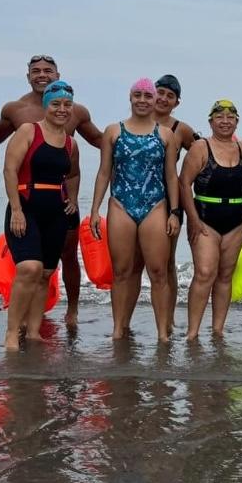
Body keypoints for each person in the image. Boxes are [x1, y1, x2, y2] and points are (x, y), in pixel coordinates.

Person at [0, 54, 102, 328]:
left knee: (66, 258)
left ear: (57, 75)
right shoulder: (15, 111)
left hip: (60, 201)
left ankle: (72, 310)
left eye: (47, 70)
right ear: (28, 76)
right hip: (28, 200)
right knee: (29, 264)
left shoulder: (76, 112)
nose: (42, 75)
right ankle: (23, 321)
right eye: (36, 71)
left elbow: (99, 141)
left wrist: (133, 144)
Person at [89, 79, 181, 341]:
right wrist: (95, 210)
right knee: (122, 271)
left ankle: (162, 333)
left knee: (158, 271)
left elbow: (171, 176)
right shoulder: (113, 131)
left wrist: (174, 212)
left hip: (155, 205)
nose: (142, 100)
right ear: (130, 98)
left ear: (154, 100)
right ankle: (118, 329)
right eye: (137, 95)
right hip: (121, 204)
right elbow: (104, 172)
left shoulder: (165, 134)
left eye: (147, 96)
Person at [0, 80, 80, 350]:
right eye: (56, 104)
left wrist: (73, 199)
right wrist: (16, 209)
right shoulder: (28, 131)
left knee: (45, 272)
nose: (62, 109)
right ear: (46, 105)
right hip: (25, 207)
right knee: (29, 268)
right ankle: (12, 333)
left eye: (67, 105)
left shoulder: (70, 143)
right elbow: (10, 170)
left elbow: (73, 174)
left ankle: (33, 331)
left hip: (56, 213)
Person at [180, 100, 242, 341]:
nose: (225, 121)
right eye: (219, 117)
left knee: (225, 274)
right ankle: (192, 332)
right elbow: (184, 183)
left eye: (230, 117)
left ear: (237, 122)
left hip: (238, 219)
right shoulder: (201, 147)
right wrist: (192, 218)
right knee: (204, 273)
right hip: (205, 217)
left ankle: (217, 330)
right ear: (211, 122)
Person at [152, 74, 200, 335]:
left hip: (170, 200)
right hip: (137, 198)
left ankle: (168, 319)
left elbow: (205, 151)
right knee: (135, 263)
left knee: (167, 262)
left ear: (176, 103)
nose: (163, 98)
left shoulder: (181, 129)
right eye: (160, 92)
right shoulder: (137, 120)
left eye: (170, 96)